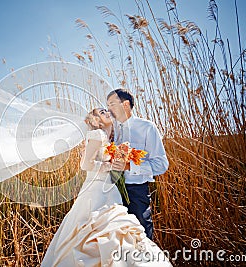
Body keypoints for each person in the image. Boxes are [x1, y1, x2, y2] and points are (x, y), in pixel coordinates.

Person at [40, 108, 172, 266]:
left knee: (115, 228)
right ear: (96, 120)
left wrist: (121, 159)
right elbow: (85, 164)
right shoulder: (97, 135)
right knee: (98, 228)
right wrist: (109, 165)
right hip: (96, 190)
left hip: (109, 188)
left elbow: (113, 165)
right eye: (102, 112)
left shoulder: (110, 139)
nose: (107, 112)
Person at [107, 89, 169, 240]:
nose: (109, 110)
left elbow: (161, 164)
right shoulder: (108, 129)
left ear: (126, 105)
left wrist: (130, 167)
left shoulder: (147, 127)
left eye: (112, 105)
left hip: (136, 192)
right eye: (107, 106)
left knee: (141, 234)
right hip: (110, 192)